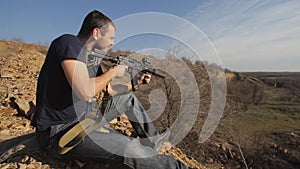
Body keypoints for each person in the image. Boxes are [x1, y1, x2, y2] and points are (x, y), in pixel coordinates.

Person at [31, 10, 192, 169]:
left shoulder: (90, 57)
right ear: (96, 32)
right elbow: (85, 91)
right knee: (128, 147)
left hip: (85, 119)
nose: (113, 42)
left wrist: (135, 84)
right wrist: (113, 72)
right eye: (111, 37)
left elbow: (109, 90)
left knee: (128, 99)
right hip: (60, 133)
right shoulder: (68, 43)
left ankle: (152, 141)